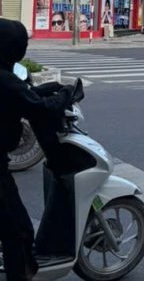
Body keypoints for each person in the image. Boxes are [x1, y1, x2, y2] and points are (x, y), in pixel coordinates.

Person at [0, 19, 71, 280]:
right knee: (19, 231)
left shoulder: (7, 79)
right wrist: (66, 95)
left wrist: (41, 90)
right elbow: (40, 110)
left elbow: (21, 97)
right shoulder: (5, 80)